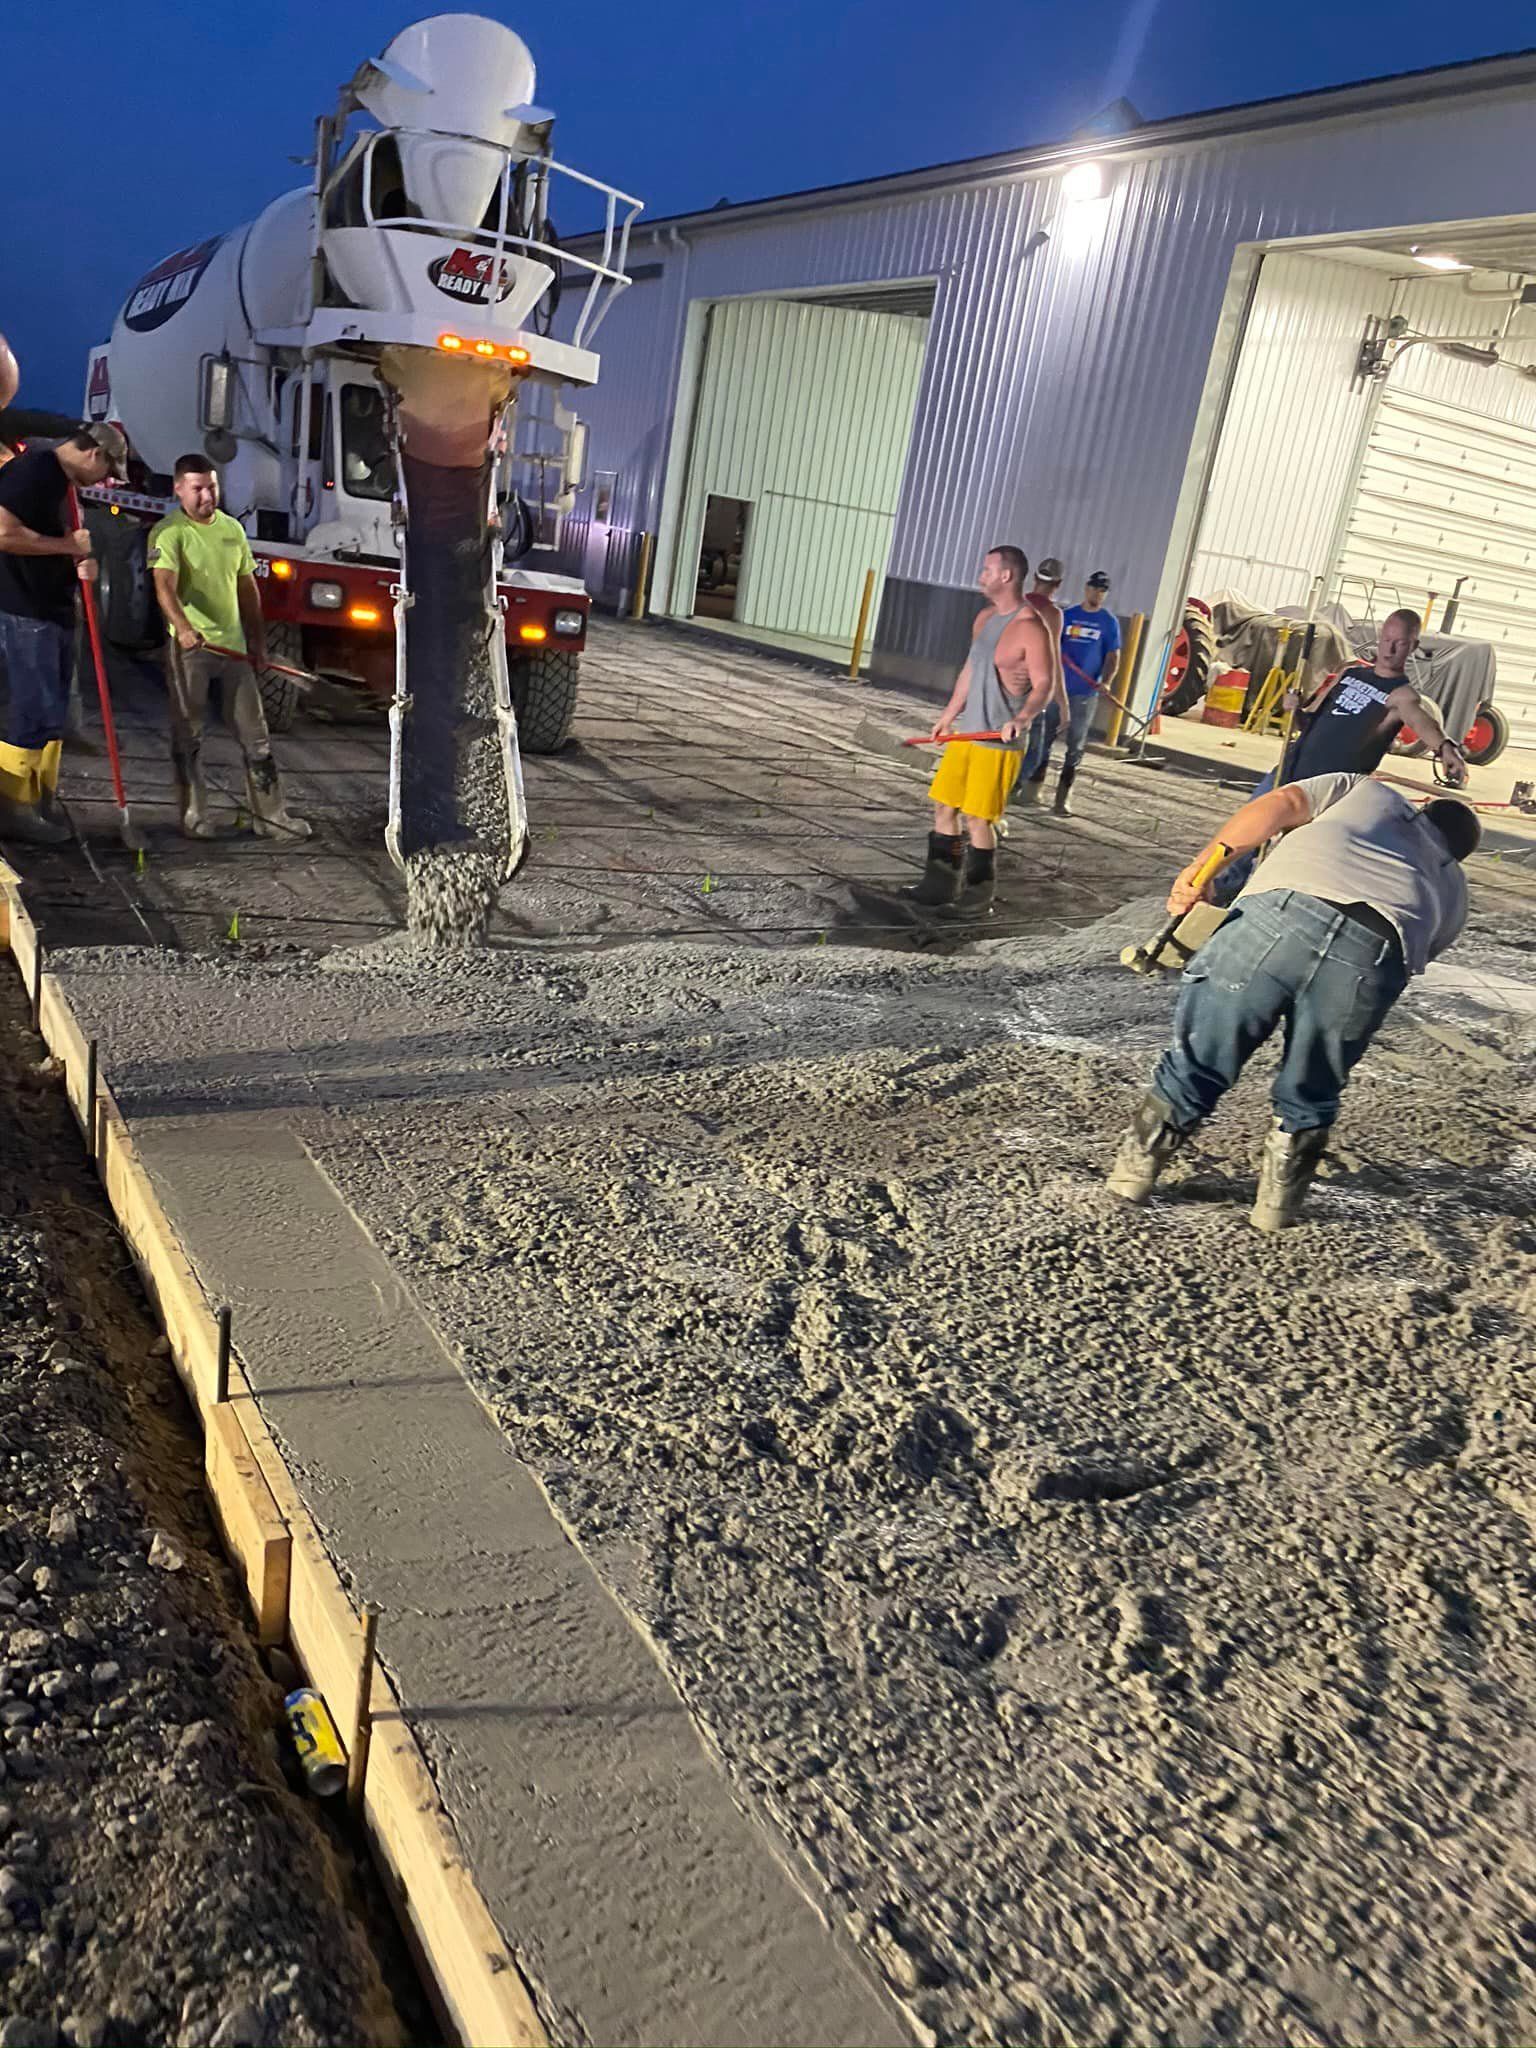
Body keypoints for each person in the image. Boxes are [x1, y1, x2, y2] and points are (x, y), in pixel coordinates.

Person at [1107, 771, 1478, 1230]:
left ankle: (1132, 1177)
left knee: (1201, 1056)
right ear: (1453, 855)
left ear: (1422, 809)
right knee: (1313, 1085)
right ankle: (1276, 1209)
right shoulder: (1456, 891)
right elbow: (1409, 961)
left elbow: (1279, 804)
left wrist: (1202, 871)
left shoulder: (1368, 791)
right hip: (1377, 952)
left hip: (1282, 915)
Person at [1213, 608, 1466, 902]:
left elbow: (1422, 721)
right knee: (1244, 836)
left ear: (1412, 646)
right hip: (1290, 769)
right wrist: (1294, 708)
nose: (1390, 649)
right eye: (1387, 640)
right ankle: (1215, 896)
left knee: (1293, 859)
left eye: (1400, 643)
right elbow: (1309, 720)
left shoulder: (1401, 696)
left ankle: (1259, 905)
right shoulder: (1349, 673)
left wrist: (1445, 747)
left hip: (1325, 793)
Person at [148, 455, 310, 842]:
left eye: (211, 486)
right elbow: (164, 587)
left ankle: (271, 816)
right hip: (191, 651)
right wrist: (184, 629)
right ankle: (194, 815)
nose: (207, 495)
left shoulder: (232, 530)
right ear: (178, 489)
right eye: (197, 488)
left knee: (257, 737)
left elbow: (246, 590)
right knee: (189, 736)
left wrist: (258, 641)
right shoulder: (169, 533)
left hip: (233, 648)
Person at [905, 545, 1054, 917]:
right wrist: (948, 714)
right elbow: (971, 670)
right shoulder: (985, 619)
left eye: (987, 569)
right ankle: (938, 885)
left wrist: (1022, 720)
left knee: (977, 818)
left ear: (1007, 576)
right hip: (967, 734)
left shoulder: (1031, 629)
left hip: (997, 744)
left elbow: (1045, 683)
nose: (980, 575)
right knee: (944, 806)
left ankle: (977, 897)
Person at [0, 422, 128, 843]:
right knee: (32, 711)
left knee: (50, 714)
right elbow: (3, 533)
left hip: (49, 610)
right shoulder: (36, 470)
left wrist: (75, 566)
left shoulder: (59, 477)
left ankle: (40, 803)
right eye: (109, 470)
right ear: (94, 454)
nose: (106, 480)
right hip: (25, 610)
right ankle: (14, 811)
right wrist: (68, 548)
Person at [1024, 568, 1121, 816]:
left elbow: (1112, 656)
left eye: (1103, 591)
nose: (1098, 594)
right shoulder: (1067, 616)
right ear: (1086, 588)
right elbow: (1050, 649)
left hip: (1085, 694)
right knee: (1043, 740)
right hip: (1057, 691)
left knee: (1075, 746)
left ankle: (1062, 798)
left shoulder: (1109, 622)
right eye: (1095, 589)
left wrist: (1106, 681)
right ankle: (1033, 790)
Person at [1014, 556, 1068, 805]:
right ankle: (1008, 791)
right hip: (1034, 690)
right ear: (1057, 584)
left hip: (1007, 686)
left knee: (1001, 743)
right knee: (1036, 751)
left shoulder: (1015, 605)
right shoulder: (1052, 614)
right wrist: (1063, 704)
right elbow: (1053, 660)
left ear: (1034, 578)